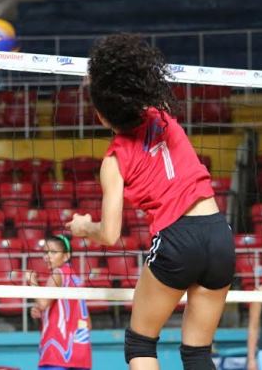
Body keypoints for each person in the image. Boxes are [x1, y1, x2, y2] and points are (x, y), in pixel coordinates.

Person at [66, 33, 236, 370]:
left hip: (178, 239)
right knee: (198, 352)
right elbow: (134, 82)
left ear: (101, 116)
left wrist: (84, 227)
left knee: (141, 342)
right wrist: (102, 79)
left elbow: (110, 234)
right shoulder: (162, 115)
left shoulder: (114, 161)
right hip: (219, 234)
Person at [29, 235, 92, 370]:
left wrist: (32, 281)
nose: (47, 257)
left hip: (57, 349)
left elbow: (43, 303)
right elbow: (87, 322)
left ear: (66, 256)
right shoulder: (76, 280)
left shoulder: (58, 273)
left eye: (53, 252)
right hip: (80, 352)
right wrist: (44, 314)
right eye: (45, 252)